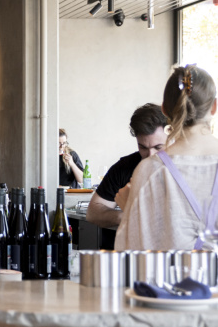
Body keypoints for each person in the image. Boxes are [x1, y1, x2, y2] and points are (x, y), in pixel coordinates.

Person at [116, 65, 218, 251]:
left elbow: (133, 252)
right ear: (214, 107)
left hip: (171, 271)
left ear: (164, 109)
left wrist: (130, 208)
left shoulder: (150, 170)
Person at [86, 104, 168, 229]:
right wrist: (128, 217)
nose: (150, 155)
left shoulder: (185, 168)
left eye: (158, 147)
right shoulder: (124, 167)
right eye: (143, 147)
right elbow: (92, 213)